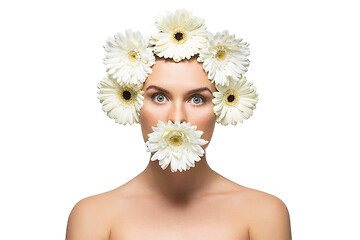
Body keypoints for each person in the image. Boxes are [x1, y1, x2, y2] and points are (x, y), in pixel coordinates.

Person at [66, 9, 291, 240]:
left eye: (197, 99)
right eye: (159, 97)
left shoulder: (264, 214)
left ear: (222, 106)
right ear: (133, 103)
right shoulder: (92, 216)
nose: (177, 117)